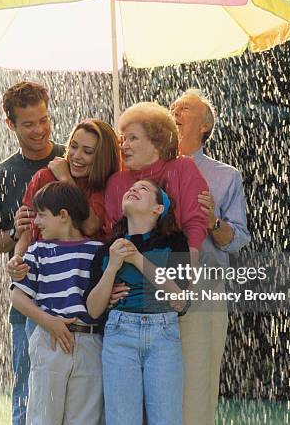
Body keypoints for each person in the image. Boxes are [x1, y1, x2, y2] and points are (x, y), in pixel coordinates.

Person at [0, 81, 65, 425]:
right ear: (10, 124)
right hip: (28, 304)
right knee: (27, 398)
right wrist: (13, 232)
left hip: (75, 296)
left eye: (44, 119)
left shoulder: (71, 160)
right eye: (28, 124)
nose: (40, 130)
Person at [171, 89, 251, 425]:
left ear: (205, 125)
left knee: (197, 388)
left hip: (203, 291)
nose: (175, 111)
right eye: (173, 107)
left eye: (185, 108)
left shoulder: (226, 176)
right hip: (147, 285)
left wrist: (213, 223)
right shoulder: (146, 167)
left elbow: (238, 241)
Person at [87, 179, 190, 425]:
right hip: (119, 335)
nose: (133, 189)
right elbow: (93, 309)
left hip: (163, 335)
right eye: (131, 188)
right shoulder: (107, 250)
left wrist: (136, 259)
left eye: (143, 189)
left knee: (167, 419)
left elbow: (180, 300)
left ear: (158, 209)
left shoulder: (174, 243)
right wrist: (112, 267)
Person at [10, 182, 104, 425]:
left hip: (90, 344)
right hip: (49, 341)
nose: (37, 222)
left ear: (63, 216)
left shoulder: (98, 252)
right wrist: (49, 322)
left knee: (85, 419)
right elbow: (17, 296)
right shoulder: (38, 251)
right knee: (43, 417)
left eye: (42, 215)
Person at [104, 101, 209, 266]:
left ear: (157, 143)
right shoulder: (116, 182)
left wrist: (187, 273)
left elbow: (195, 224)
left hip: (176, 266)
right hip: (128, 273)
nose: (124, 146)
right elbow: (111, 234)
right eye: (124, 139)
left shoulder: (183, 167)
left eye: (133, 138)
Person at [10, 119, 120, 263]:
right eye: (73, 147)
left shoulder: (106, 185)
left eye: (87, 151)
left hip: (86, 271)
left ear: (102, 158)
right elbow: (27, 233)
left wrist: (66, 179)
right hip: (45, 268)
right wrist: (17, 259)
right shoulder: (44, 176)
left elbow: (90, 226)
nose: (76, 156)